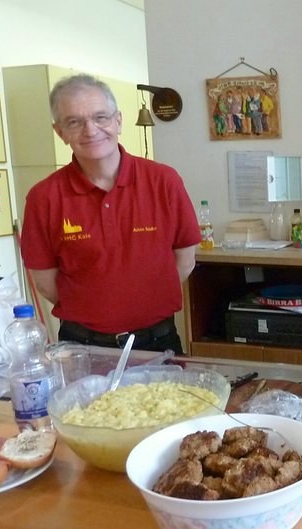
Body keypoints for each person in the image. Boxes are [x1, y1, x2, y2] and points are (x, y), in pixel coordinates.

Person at [20, 73, 201, 354]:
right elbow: (45, 281)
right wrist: (96, 309)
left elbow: (185, 261)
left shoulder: (164, 181)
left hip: (158, 342)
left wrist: (141, 302)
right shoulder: (44, 197)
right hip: (81, 348)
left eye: (100, 117)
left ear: (118, 120)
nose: (90, 130)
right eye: (74, 122)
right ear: (60, 132)